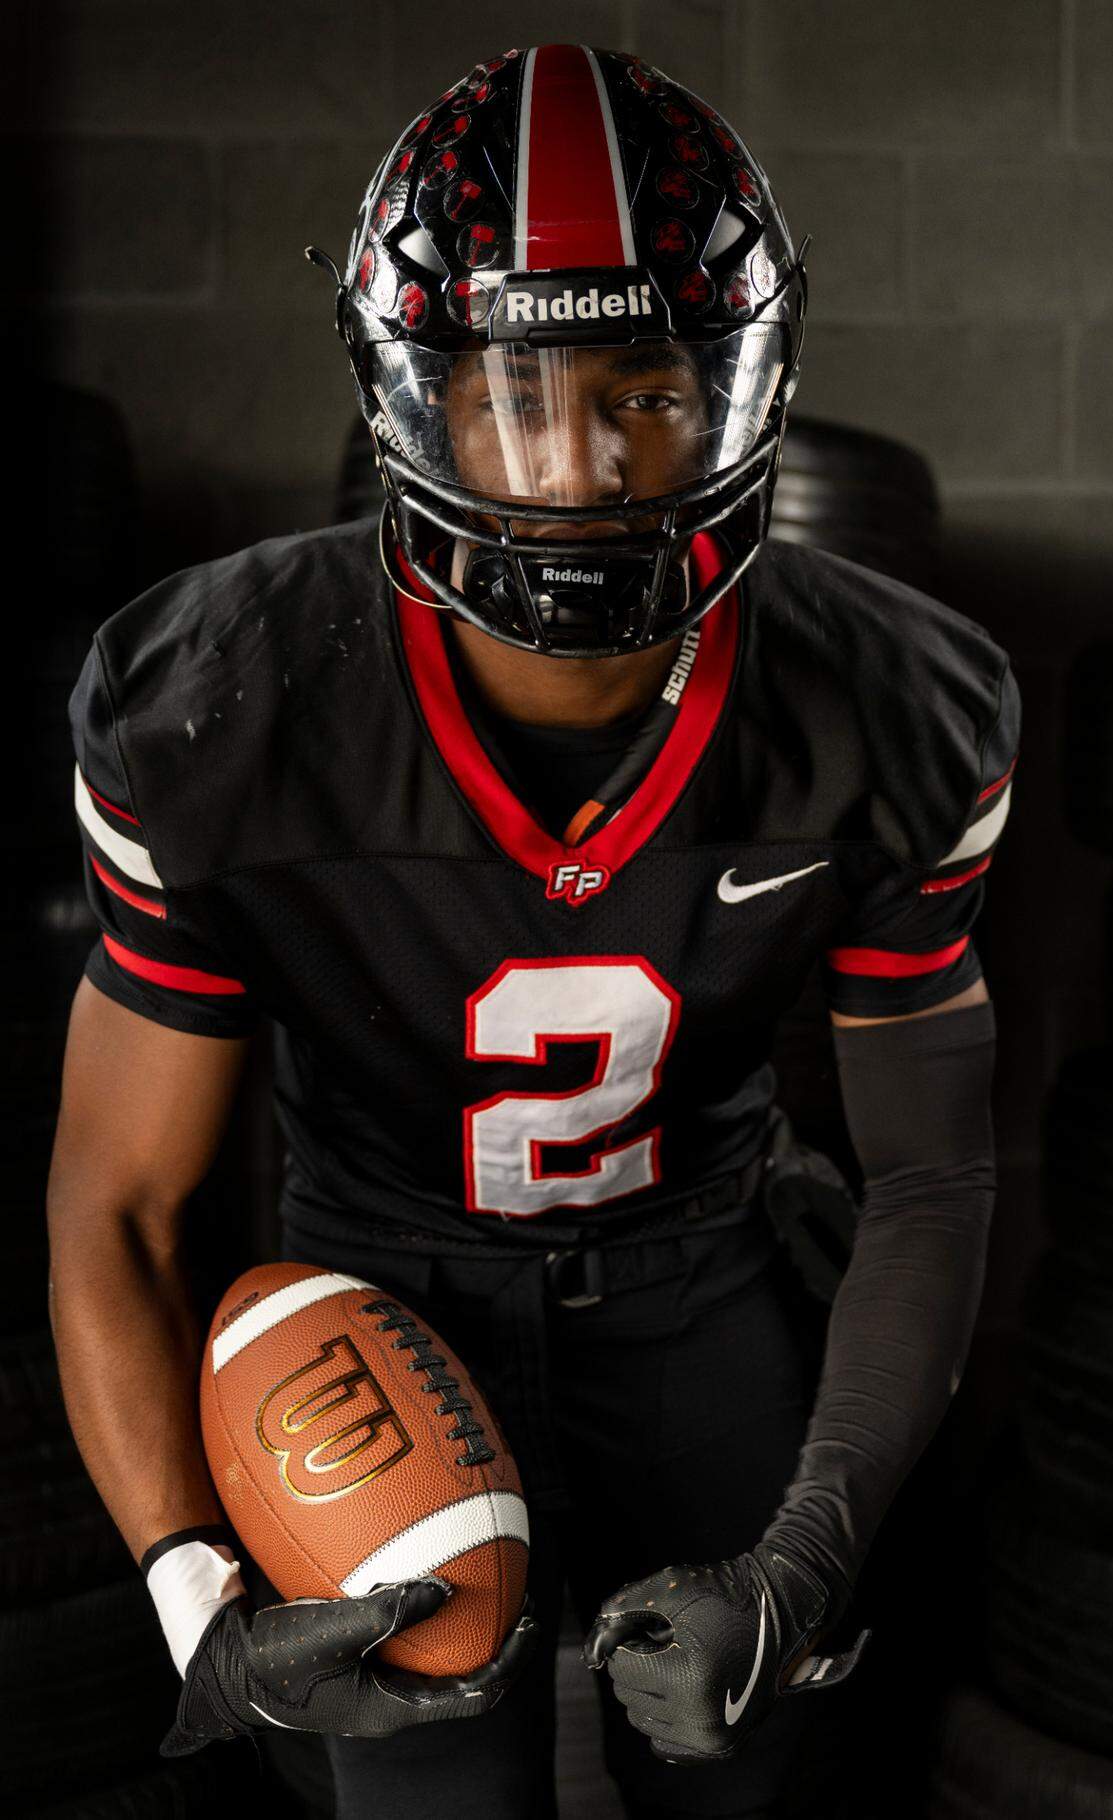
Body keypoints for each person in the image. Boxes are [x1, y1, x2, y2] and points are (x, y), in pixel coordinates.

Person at [47, 42, 1019, 1820]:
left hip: (708, 1280)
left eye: (647, 389)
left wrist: (805, 1554)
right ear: (409, 399)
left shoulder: (894, 702)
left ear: (746, 387)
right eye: (512, 392)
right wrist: (195, 1598)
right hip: (372, 1291)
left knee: (762, 1788)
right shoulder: (221, 703)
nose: (578, 470)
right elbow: (119, 1197)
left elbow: (935, 1178)